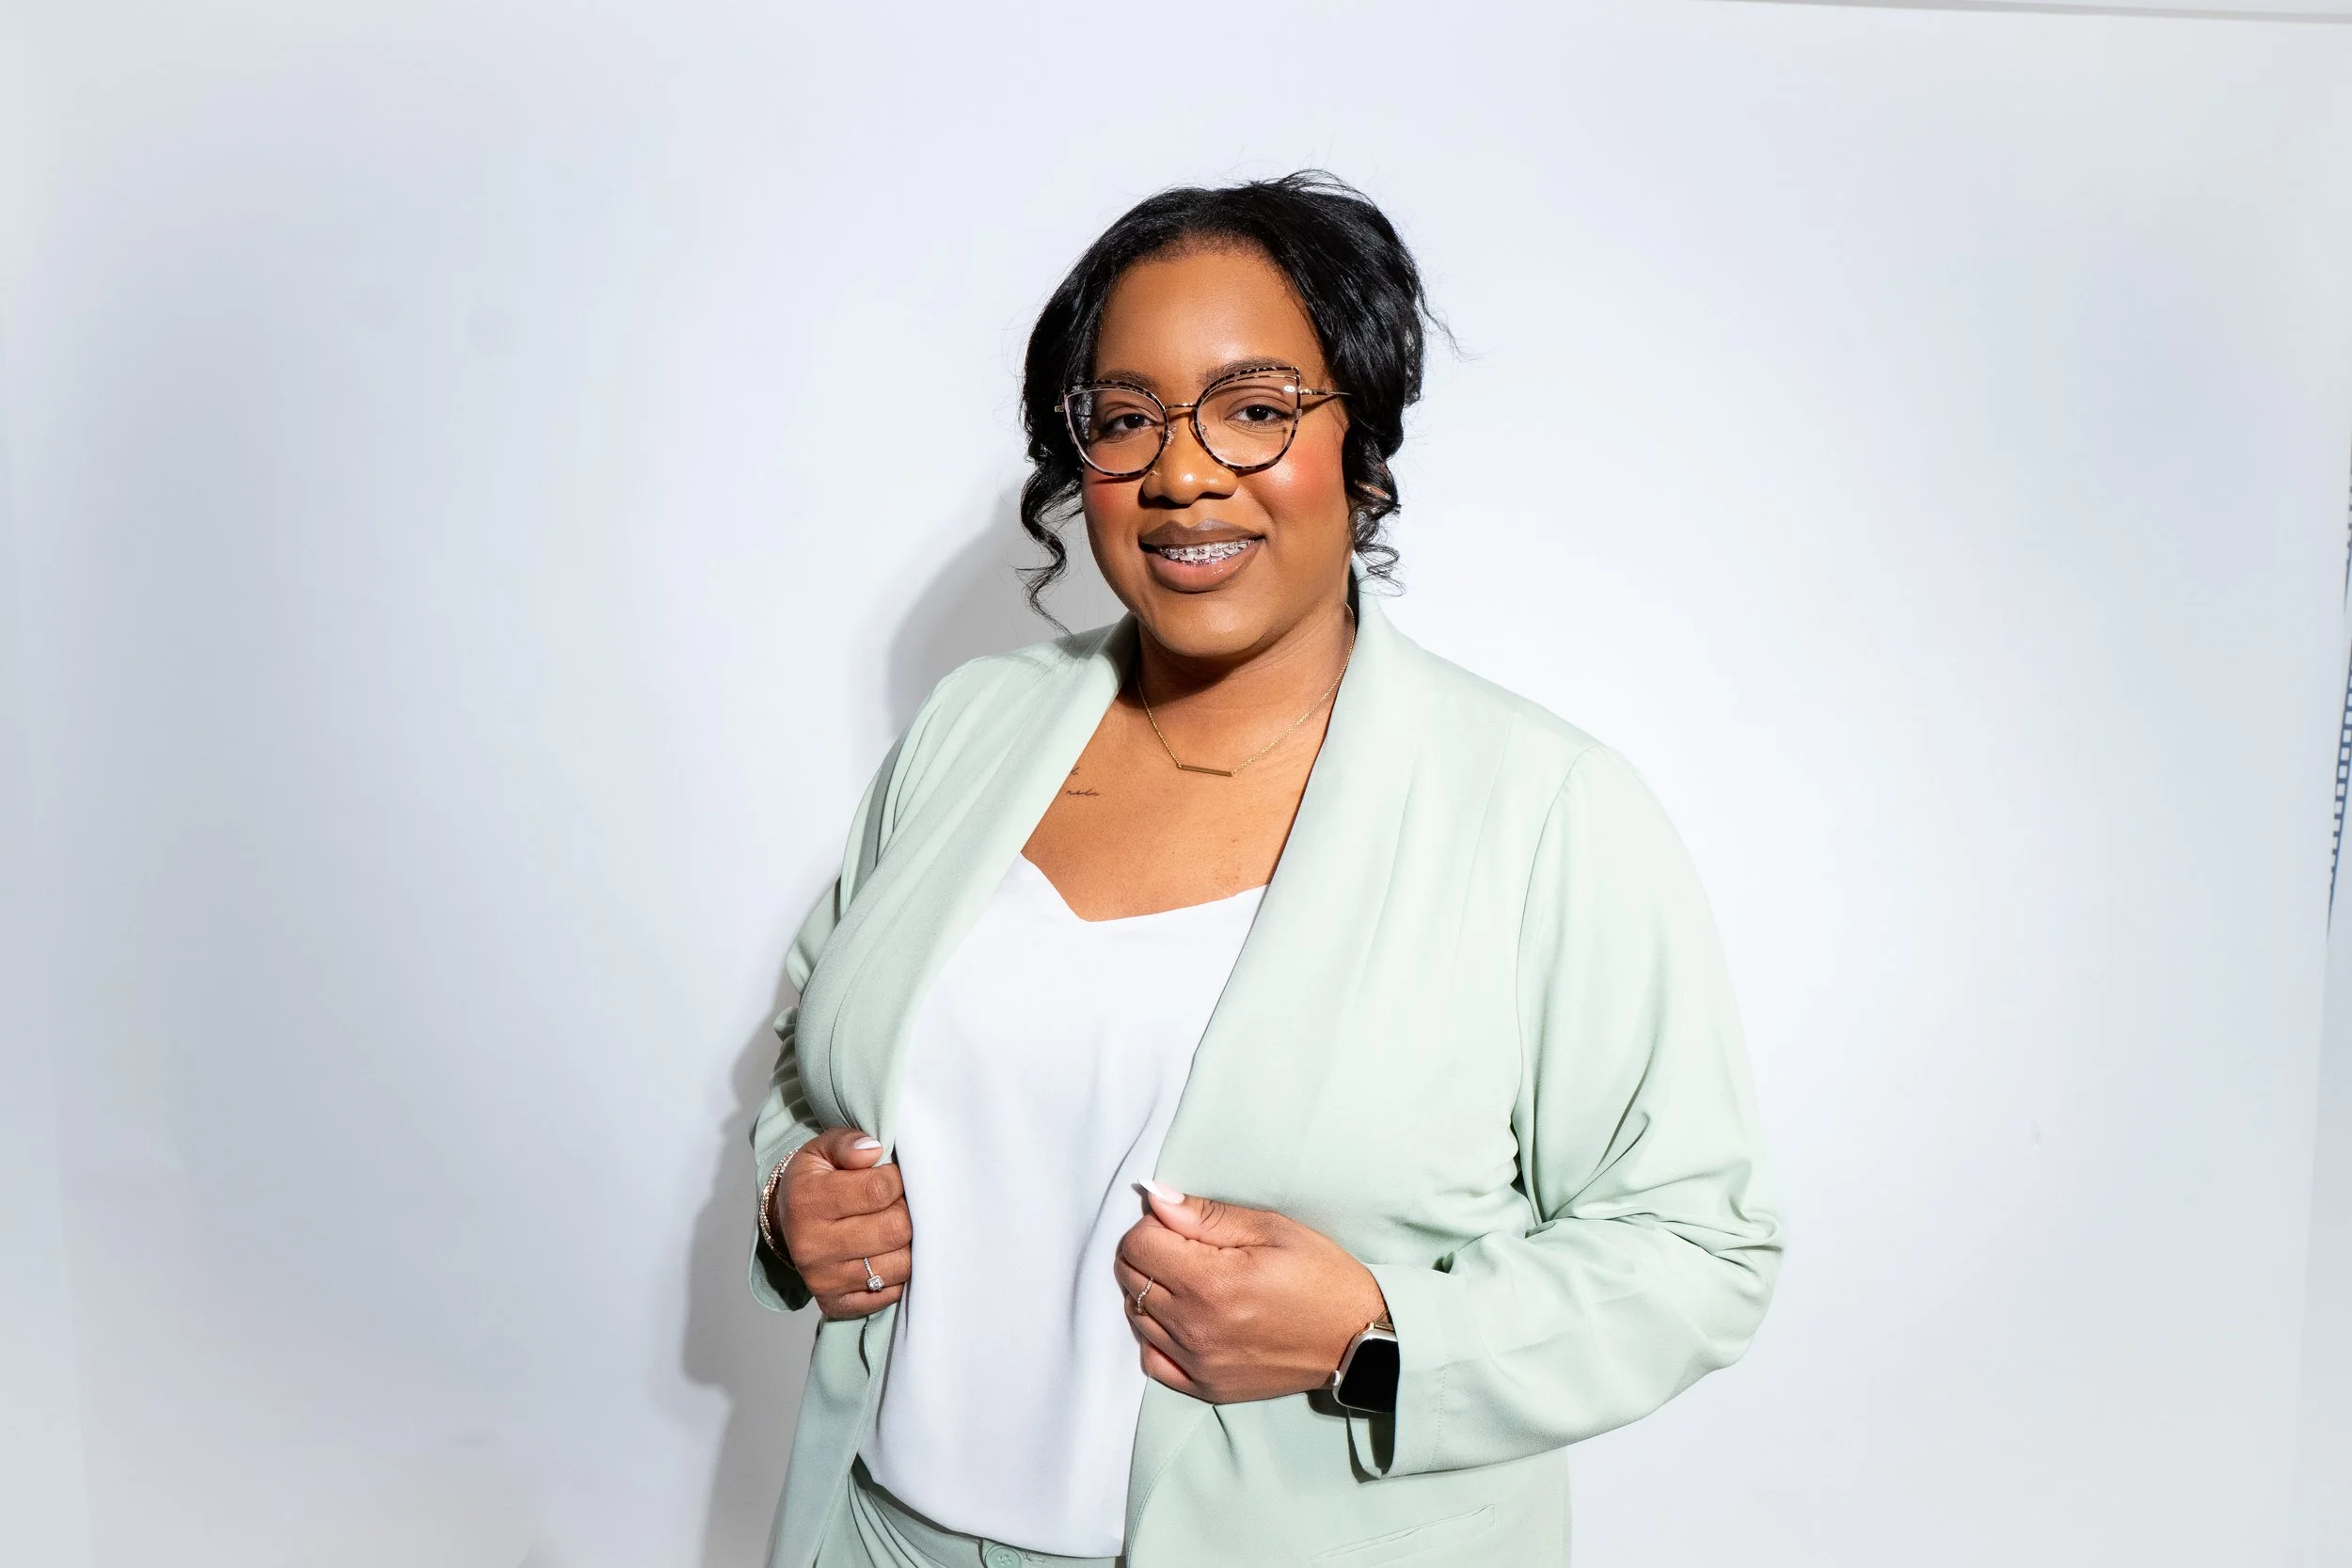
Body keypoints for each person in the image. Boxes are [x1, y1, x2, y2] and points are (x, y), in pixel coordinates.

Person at [748, 171, 1782, 1568]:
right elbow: (817, 1045)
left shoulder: (1543, 811)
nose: (1182, 473)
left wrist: (1376, 1335)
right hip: (879, 1534)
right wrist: (794, 1197)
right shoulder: (973, 727)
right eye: (1127, 418)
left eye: (1254, 408)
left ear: (1364, 447)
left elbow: (1699, 1247)